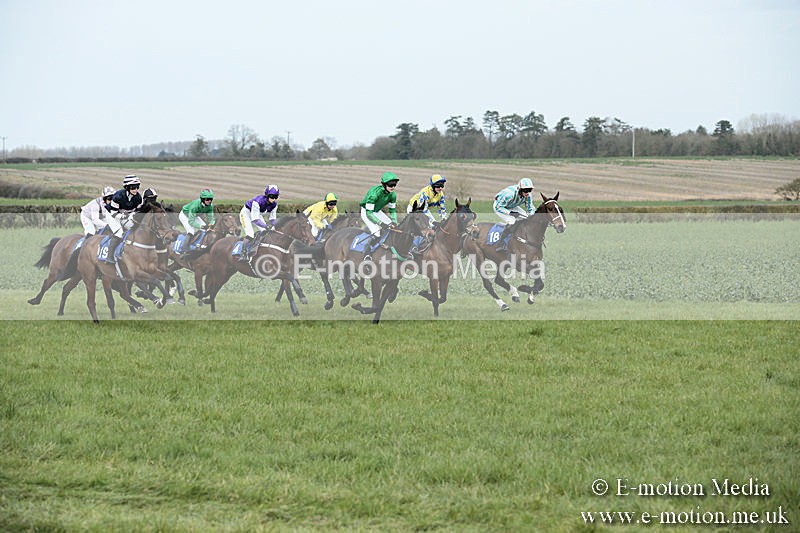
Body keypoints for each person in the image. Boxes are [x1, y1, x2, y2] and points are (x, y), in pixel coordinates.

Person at [359, 172, 399, 257]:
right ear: (384, 184)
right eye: (390, 185)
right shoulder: (374, 194)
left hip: (377, 211)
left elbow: (392, 210)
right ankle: (367, 254)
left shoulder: (393, 195)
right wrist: (381, 223)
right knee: (376, 232)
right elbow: (369, 213)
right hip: (366, 211)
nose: (393, 187)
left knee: (393, 227)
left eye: (394, 185)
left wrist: (394, 221)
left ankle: (388, 247)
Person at [105, 175, 143, 260]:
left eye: (137, 187)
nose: (136, 190)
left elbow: (137, 211)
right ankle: (110, 256)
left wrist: (132, 215)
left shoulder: (138, 198)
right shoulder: (118, 196)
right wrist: (127, 216)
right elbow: (114, 214)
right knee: (119, 233)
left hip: (125, 215)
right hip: (112, 215)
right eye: (133, 187)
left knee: (134, 231)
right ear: (127, 188)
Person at [493, 177, 537, 252]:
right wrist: (510, 213)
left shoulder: (528, 196)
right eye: (525, 190)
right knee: (511, 221)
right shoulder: (509, 195)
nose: (527, 193)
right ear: (520, 189)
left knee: (526, 217)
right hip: (499, 207)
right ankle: (500, 243)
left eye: (529, 190)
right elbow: (498, 207)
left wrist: (532, 215)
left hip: (512, 206)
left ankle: (521, 237)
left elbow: (531, 208)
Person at [239, 184, 280, 259]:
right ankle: (243, 253)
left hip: (256, 214)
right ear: (267, 195)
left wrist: (277, 226)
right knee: (250, 234)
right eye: (271, 197)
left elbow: (272, 219)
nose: (273, 199)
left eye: (276, 197)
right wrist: (267, 226)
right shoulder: (258, 201)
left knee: (265, 231)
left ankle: (257, 248)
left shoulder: (274, 205)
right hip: (246, 213)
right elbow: (255, 220)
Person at [178, 188, 216, 253]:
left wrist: (211, 225)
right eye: (207, 199)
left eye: (211, 199)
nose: (209, 201)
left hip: (195, 216)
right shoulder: (195, 206)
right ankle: (184, 249)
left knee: (205, 229)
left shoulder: (210, 206)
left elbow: (211, 219)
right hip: (184, 215)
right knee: (191, 231)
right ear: (202, 199)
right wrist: (201, 226)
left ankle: (201, 245)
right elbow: (191, 221)